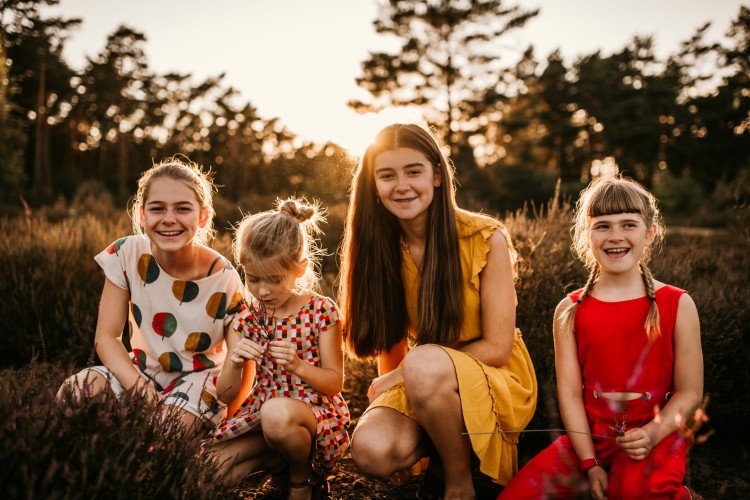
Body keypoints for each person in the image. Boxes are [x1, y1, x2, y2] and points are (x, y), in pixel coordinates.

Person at [338, 123, 538, 499]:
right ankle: (443, 440)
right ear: (374, 187)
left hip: (496, 374)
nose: (401, 186)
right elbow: (390, 340)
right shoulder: (381, 246)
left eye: (413, 171)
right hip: (424, 376)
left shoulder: (484, 237)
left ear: (437, 176)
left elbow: (497, 347)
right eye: (387, 175)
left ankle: (459, 482)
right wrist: (396, 382)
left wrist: (401, 375)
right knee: (372, 452)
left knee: (424, 363)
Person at [499, 176, 703, 499]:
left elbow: (690, 392)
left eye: (628, 225)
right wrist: (589, 463)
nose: (616, 236)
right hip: (587, 442)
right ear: (586, 235)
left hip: (655, 440)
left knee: (635, 490)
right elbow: (569, 395)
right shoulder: (570, 310)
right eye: (603, 226)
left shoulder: (678, 304)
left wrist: (651, 434)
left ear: (650, 233)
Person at [58, 156, 245, 431]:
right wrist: (142, 389)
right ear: (142, 215)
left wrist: (231, 410)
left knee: (163, 430)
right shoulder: (127, 254)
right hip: (140, 371)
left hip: (201, 381)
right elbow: (106, 338)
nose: (169, 219)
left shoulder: (225, 279)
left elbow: (241, 361)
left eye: (183, 209)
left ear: (203, 217)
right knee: (74, 393)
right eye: (158, 209)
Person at [208, 198, 350, 500]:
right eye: (253, 279)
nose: (262, 291)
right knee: (210, 471)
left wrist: (299, 366)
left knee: (276, 414)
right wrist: (234, 361)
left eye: (274, 280)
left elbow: (334, 382)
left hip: (314, 416)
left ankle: (301, 478)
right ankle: (280, 462)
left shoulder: (321, 311)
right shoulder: (248, 316)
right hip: (264, 417)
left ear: (300, 269)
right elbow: (226, 395)